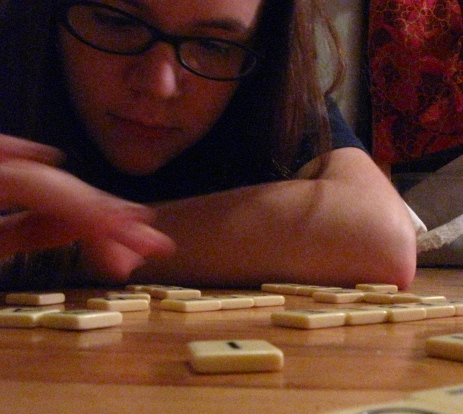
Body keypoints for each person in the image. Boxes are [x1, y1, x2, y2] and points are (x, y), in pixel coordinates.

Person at [0, 0, 417, 290]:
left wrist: (68, 248)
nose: (159, 86)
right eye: (117, 21)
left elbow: (382, 237)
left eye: (214, 46)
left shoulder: (269, 88)